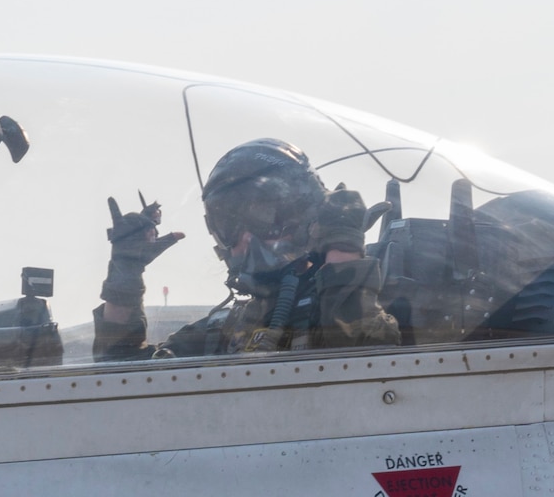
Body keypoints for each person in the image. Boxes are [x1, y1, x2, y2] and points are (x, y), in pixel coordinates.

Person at [92, 137, 398, 361]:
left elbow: (359, 370)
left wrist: (342, 252)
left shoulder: (377, 311)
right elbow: (119, 375)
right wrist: (125, 275)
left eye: (265, 218)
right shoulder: (222, 331)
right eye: (229, 226)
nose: (245, 239)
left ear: (306, 217)